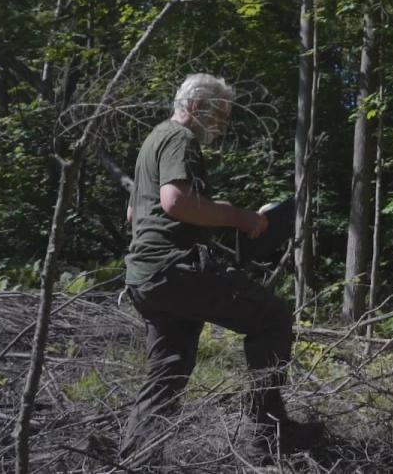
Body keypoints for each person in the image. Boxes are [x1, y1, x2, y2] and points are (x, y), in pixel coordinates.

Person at [121, 73, 321, 467]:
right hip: (175, 270)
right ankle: (269, 435)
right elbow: (176, 202)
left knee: (169, 372)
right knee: (273, 318)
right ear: (196, 107)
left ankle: (135, 460)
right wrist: (239, 217)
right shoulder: (180, 139)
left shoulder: (153, 141)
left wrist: (213, 211)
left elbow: (136, 213)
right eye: (221, 114)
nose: (223, 125)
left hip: (146, 277)